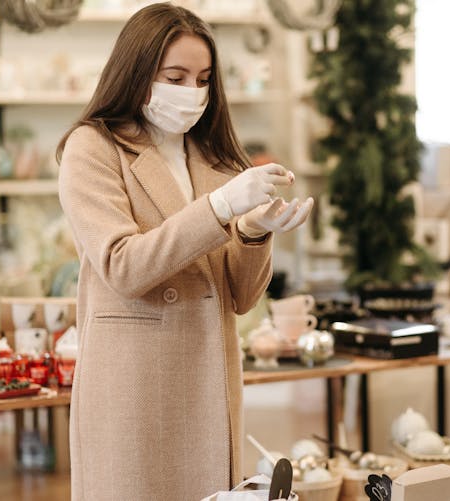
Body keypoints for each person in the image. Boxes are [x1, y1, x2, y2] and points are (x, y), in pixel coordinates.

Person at [56, 3, 313, 499]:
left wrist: (255, 231)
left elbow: (240, 298)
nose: (192, 93)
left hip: (208, 380)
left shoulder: (214, 157)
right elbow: (123, 266)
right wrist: (219, 208)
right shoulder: (94, 148)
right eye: (175, 76)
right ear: (137, 73)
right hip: (133, 386)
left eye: (203, 79)